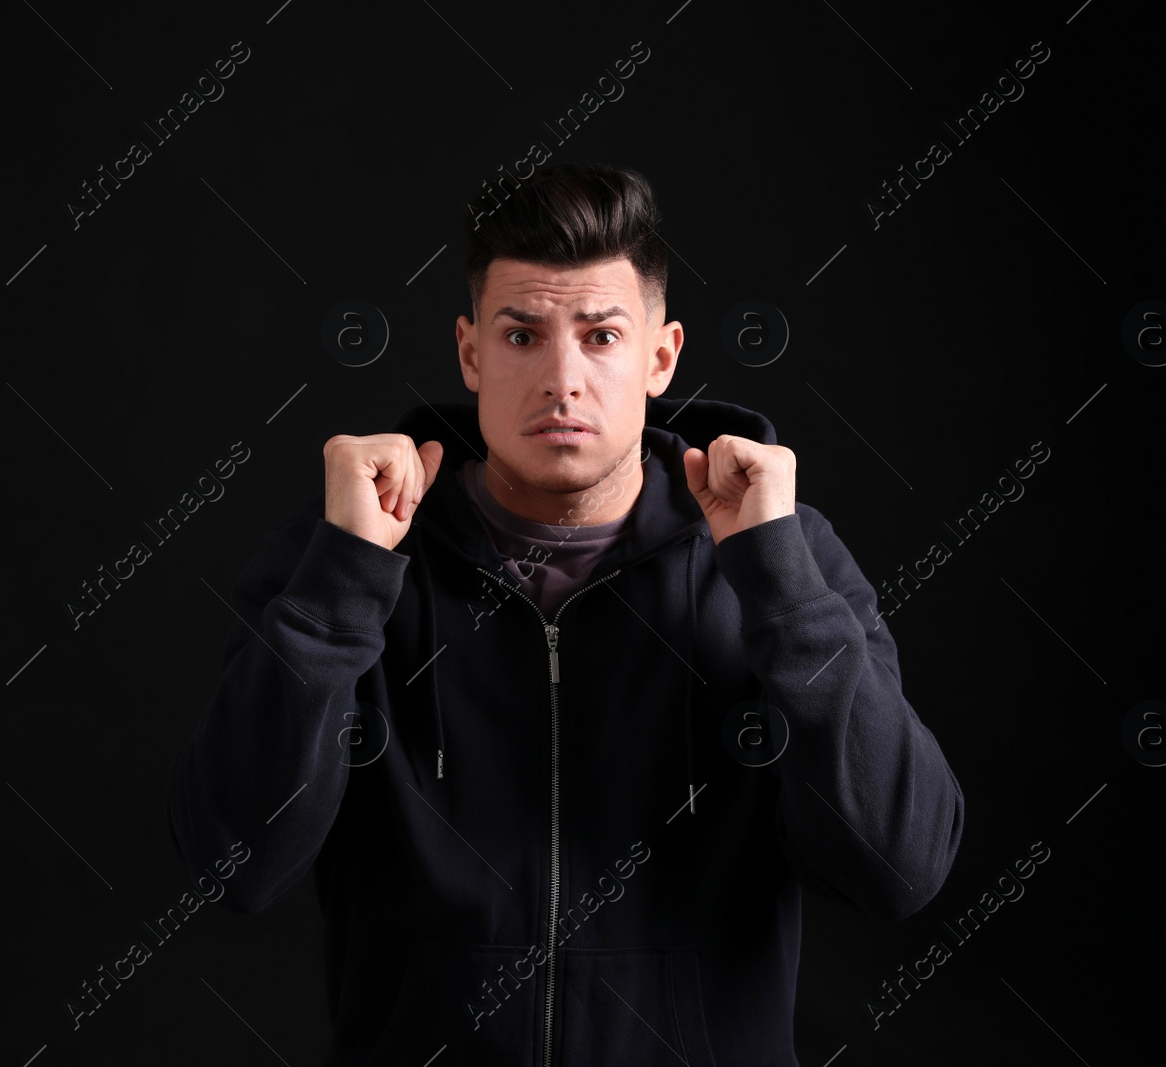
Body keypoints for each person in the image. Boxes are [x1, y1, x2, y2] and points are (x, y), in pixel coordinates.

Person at [165, 161, 964, 1066]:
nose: (562, 379)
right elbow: (232, 865)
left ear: (660, 356)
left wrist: (778, 582)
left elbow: (900, 867)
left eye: (601, 335)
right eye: (521, 335)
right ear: (471, 353)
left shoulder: (785, 553)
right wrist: (343, 579)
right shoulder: (347, 554)